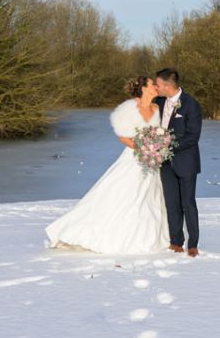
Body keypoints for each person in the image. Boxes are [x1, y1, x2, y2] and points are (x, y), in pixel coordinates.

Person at [45, 76, 170, 254]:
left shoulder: (159, 108)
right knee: (126, 193)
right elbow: (122, 135)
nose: (156, 87)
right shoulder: (129, 108)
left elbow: (162, 132)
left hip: (153, 159)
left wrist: (157, 147)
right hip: (135, 157)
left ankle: (151, 237)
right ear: (143, 88)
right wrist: (143, 148)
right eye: (152, 84)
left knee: (151, 197)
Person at [154, 68, 202, 257]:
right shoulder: (158, 102)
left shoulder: (191, 105)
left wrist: (168, 145)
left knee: (188, 204)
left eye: (158, 85)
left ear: (167, 85)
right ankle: (176, 241)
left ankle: (193, 244)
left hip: (186, 162)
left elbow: (193, 137)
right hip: (165, 163)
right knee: (171, 203)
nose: (156, 88)